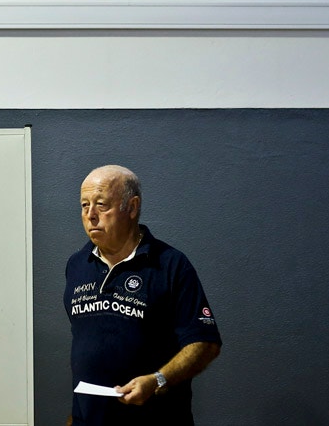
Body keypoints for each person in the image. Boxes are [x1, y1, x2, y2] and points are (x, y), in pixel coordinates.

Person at [65, 165, 221, 426]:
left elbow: (205, 343)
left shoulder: (170, 265)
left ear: (132, 207)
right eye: (84, 205)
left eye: (101, 205)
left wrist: (158, 380)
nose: (90, 215)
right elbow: (86, 349)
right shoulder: (77, 265)